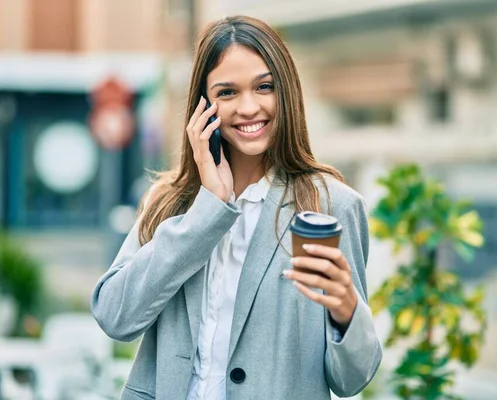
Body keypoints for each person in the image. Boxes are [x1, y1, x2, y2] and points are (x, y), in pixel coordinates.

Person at [91, 15, 382, 400]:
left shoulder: (331, 207)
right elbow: (115, 316)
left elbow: (352, 380)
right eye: (227, 93)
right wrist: (207, 209)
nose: (249, 107)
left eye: (264, 87)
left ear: (287, 93)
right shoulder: (170, 201)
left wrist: (347, 312)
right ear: (203, 107)